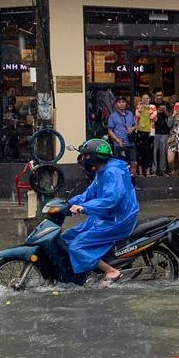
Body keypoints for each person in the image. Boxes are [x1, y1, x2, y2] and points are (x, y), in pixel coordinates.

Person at [63, 138, 140, 285]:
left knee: (77, 245)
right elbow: (89, 194)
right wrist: (67, 204)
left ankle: (111, 271)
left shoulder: (112, 172)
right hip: (106, 216)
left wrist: (84, 207)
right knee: (67, 237)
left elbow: (111, 199)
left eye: (86, 156)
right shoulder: (101, 171)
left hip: (119, 218)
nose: (83, 159)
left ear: (94, 157)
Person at [106, 96, 136, 167]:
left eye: (123, 102)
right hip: (120, 143)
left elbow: (136, 125)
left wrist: (132, 128)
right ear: (116, 104)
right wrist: (118, 140)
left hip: (131, 142)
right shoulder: (112, 116)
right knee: (121, 163)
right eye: (119, 102)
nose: (121, 104)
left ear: (126, 103)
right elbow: (110, 131)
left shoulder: (130, 113)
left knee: (133, 162)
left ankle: (132, 177)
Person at [134, 94, 155, 177]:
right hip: (139, 131)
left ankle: (148, 171)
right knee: (140, 152)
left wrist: (148, 108)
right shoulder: (139, 106)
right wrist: (140, 108)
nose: (145, 100)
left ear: (149, 99)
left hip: (149, 132)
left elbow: (153, 117)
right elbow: (137, 116)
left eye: (147, 98)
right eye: (144, 98)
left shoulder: (152, 107)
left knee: (149, 152)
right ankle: (140, 171)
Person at [153, 101, 170, 175]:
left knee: (163, 152)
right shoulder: (154, 113)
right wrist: (157, 112)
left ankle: (163, 169)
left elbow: (170, 122)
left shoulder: (166, 114)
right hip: (155, 133)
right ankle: (154, 169)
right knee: (154, 152)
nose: (161, 109)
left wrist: (165, 112)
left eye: (163, 107)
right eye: (160, 107)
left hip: (164, 133)